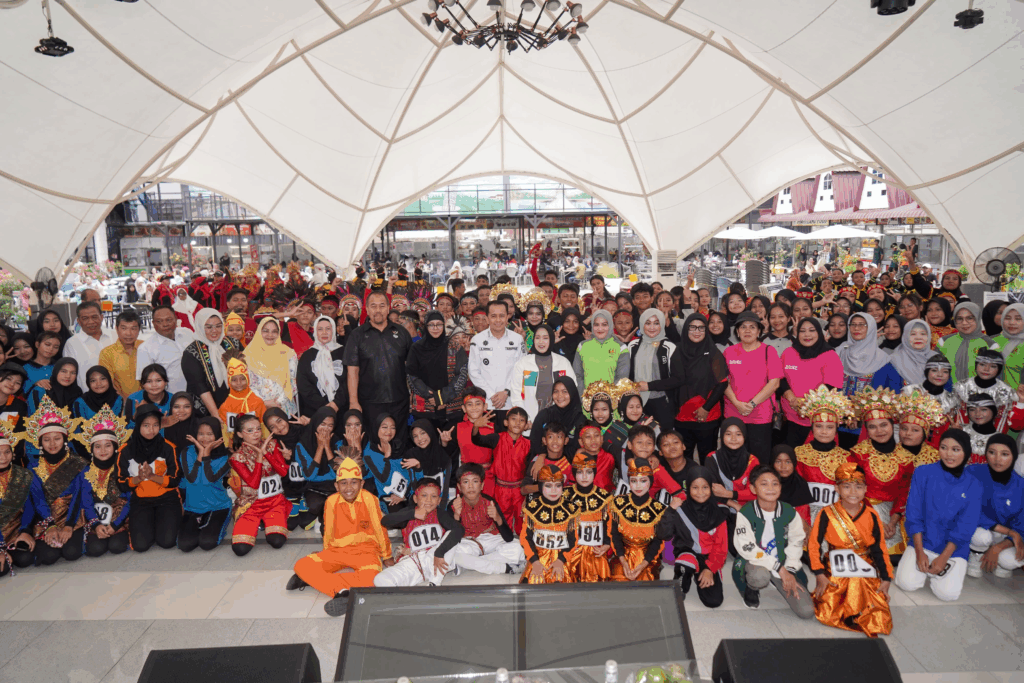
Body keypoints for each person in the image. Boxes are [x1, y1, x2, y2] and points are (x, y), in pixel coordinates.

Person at [287, 457, 394, 617]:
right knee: (302, 565)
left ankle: (317, 581)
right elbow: (328, 531)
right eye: (343, 483)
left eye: (354, 482)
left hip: (366, 551)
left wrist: (387, 555)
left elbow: (380, 529)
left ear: (362, 484)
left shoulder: (370, 499)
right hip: (337, 551)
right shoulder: (331, 501)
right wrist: (325, 554)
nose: (348, 488)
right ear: (336, 486)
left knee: (373, 579)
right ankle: (343, 591)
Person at [808, 462, 894, 637]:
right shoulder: (827, 513)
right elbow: (814, 544)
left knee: (880, 617)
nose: (853, 492)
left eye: (858, 487)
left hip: (864, 566)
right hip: (836, 566)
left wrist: (886, 578)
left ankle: (856, 612)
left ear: (865, 489)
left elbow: (879, 548)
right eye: (846, 487)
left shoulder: (871, 515)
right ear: (837, 489)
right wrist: (819, 574)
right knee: (828, 611)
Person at [895, 429, 982, 602]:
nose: (948, 454)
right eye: (944, 447)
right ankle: (923, 566)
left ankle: (939, 571)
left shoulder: (974, 484)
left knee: (947, 594)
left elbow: (966, 525)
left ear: (966, 452)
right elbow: (913, 513)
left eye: (955, 449)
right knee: (906, 584)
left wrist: (943, 558)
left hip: (953, 549)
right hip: (923, 542)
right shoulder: (923, 473)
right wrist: (919, 552)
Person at [732, 465, 815, 617]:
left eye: (775, 483)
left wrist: (789, 570)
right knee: (759, 577)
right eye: (764, 484)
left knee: (807, 611)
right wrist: (779, 569)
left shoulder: (789, 512)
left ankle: (778, 578)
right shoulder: (745, 513)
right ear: (753, 488)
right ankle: (752, 588)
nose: (770, 488)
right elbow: (747, 548)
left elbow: (796, 542)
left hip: (783, 561)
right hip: (755, 561)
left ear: (780, 487)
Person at [24, 396, 88, 566]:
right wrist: (50, 525)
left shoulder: (78, 463)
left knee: (71, 553)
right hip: (46, 517)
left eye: (57, 438)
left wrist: (69, 525)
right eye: (46, 439)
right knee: (48, 557)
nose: (52, 443)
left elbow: (79, 497)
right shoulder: (33, 467)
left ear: (65, 440)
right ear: (40, 442)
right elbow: (37, 499)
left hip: (72, 515)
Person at [345, 291, 413, 450]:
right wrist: (353, 401)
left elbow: (411, 368)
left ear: (388, 308)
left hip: (399, 401)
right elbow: (352, 371)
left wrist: (412, 395)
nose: (378, 310)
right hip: (369, 402)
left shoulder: (402, 333)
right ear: (367, 309)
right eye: (373, 306)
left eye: (382, 306)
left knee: (398, 444)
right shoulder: (357, 335)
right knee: (372, 445)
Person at [656, 466, 728, 607]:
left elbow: (721, 547)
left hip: (709, 557)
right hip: (687, 553)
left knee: (713, 601)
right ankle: (682, 581)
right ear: (688, 488)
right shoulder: (680, 509)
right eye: (695, 487)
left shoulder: (719, 512)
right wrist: (670, 510)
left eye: (705, 487)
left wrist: (710, 569)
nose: (700, 492)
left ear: (711, 488)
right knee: (685, 565)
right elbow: (663, 534)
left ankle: (700, 572)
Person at [374, 479, 464, 587]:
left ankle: (435, 582)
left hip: (434, 560)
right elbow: (385, 521)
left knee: (454, 537)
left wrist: (439, 552)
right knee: (380, 579)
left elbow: (458, 530)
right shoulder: (409, 512)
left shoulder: (440, 514)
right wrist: (412, 514)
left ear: (439, 500)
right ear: (415, 498)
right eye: (424, 495)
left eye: (434, 496)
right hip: (412, 561)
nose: (429, 500)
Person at [116, 404, 182, 552]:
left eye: (155, 425)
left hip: (167, 499)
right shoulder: (125, 451)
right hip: (141, 501)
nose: (151, 430)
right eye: (146, 425)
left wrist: (152, 476)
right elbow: (121, 483)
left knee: (167, 542)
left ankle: (163, 521)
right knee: (140, 546)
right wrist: (139, 478)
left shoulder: (168, 448)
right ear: (138, 425)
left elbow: (175, 479)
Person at [227, 413, 291, 555]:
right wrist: (260, 458)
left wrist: (266, 453)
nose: (256, 433)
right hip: (251, 503)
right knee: (240, 549)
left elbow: (283, 472)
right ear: (240, 434)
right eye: (250, 431)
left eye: (258, 429)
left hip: (275, 501)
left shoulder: (272, 444)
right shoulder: (237, 457)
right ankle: (258, 522)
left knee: (277, 541)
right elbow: (254, 484)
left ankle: (266, 521)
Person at [722, 312, 782, 462]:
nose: (747, 330)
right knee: (734, 458)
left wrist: (752, 404)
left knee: (759, 458)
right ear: (737, 331)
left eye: (752, 327)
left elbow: (774, 383)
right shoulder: (729, 352)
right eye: (743, 327)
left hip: (760, 415)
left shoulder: (769, 351)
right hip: (733, 412)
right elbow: (723, 382)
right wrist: (737, 403)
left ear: (759, 331)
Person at [74, 407, 132, 557]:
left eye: (108, 445)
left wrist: (115, 525)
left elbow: (131, 500)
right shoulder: (86, 473)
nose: (103, 450)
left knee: (116, 546)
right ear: (92, 449)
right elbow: (86, 503)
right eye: (98, 446)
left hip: (120, 519)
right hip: (97, 519)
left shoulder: (123, 469)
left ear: (115, 447)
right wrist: (96, 525)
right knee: (95, 549)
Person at [448, 463, 525, 576]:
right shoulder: (453, 505)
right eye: (466, 482)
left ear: (482, 485)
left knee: (518, 548)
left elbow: (508, 537)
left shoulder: (490, 502)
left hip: (490, 539)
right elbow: (452, 539)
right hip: (468, 542)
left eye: (475, 481)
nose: (470, 486)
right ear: (459, 487)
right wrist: (456, 515)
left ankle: (468, 564)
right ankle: (503, 568)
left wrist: (497, 518)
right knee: (452, 551)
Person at [966, 434, 1024, 579]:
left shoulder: (1021, 485)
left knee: (1010, 561)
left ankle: (999, 560)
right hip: (980, 529)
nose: (997, 459)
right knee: (981, 537)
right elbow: (968, 509)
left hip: (1005, 535)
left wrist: (1000, 546)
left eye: (1004, 454)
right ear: (986, 454)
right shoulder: (973, 472)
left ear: (1014, 456)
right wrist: (1010, 532)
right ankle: (976, 554)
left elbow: (1021, 524)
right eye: (992, 452)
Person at [780, 318, 844, 448]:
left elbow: (831, 386)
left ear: (819, 333)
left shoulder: (830, 355)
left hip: (818, 422)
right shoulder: (788, 352)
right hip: (789, 416)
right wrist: (791, 398)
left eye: (812, 330)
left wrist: (806, 402)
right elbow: (780, 378)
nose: (807, 335)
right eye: (802, 331)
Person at [472, 407, 532, 532]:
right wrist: (476, 426)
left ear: (526, 425)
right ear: (506, 422)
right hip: (501, 489)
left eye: (522, 420)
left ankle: (522, 542)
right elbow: (477, 440)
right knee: (502, 520)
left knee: (522, 520)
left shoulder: (529, 444)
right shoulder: (497, 438)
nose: (517, 423)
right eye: (513, 419)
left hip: (520, 490)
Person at [616, 309, 679, 430]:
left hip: (662, 403)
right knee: (638, 436)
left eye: (656, 323)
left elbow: (678, 378)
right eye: (648, 323)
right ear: (642, 324)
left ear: (662, 324)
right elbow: (627, 374)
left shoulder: (669, 347)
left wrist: (650, 386)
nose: (652, 327)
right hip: (636, 403)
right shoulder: (632, 346)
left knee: (662, 437)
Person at [177, 416, 232, 552]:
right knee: (185, 545)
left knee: (207, 543)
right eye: (201, 434)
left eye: (210, 434)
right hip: (192, 507)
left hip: (218, 506)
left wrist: (206, 454)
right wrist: (200, 454)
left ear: (217, 435)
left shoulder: (226, 456)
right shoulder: (186, 452)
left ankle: (216, 524)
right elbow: (192, 479)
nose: (205, 438)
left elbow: (209, 479)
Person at [608, 457, 667, 581]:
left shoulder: (659, 510)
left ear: (650, 481)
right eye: (633, 481)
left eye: (643, 480)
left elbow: (657, 543)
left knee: (646, 581)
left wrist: (642, 566)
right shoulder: (618, 503)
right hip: (622, 557)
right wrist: (624, 562)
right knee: (617, 579)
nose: (638, 485)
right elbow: (615, 535)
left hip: (647, 560)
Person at [837, 313, 891, 448]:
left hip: (869, 427)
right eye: (853, 324)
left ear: (871, 328)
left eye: (862, 325)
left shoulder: (882, 359)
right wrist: (846, 414)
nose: (857, 328)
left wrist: (859, 415)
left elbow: (888, 394)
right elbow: (832, 386)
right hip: (838, 422)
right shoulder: (840, 352)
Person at [406, 311, 468, 427]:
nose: (435, 328)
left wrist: (442, 397)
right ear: (426, 326)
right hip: (424, 407)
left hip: (451, 408)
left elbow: (462, 375)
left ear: (443, 326)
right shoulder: (416, 348)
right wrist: (430, 396)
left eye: (439, 324)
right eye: (431, 325)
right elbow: (411, 376)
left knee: (450, 437)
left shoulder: (455, 347)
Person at [519, 464, 579, 583]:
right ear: (541, 487)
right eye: (548, 486)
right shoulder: (532, 508)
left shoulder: (571, 509)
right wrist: (535, 561)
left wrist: (560, 560)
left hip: (561, 560)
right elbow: (525, 538)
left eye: (558, 485)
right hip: (538, 559)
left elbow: (573, 540)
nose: (553, 490)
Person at [468, 300, 525, 423]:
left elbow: (522, 370)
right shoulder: (477, 340)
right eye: (493, 316)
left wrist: (506, 392)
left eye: (502, 316)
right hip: (487, 404)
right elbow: (473, 372)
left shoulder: (517, 339)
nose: (498, 320)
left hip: (512, 402)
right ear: (487, 318)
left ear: (507, 317)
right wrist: (491, 394)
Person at [511, 324, 574, 427]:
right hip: (530, 422)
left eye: (545, 338)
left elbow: (572, 392)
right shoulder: (523, 363)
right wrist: (524, 418)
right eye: (537, 338)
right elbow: (516, 394)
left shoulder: (563, 363)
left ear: (551, 340)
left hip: (558, 422)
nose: (541, 342)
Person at [563, 452, 612, 582]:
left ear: (594, 473)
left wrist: (607, 545)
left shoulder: (604, 497)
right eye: (580, 472)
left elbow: (609, 525)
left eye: (589, 472)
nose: (584, 477)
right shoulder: (564, 495)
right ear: (574, 474)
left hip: (595, 551)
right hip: (570, 551)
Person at [182, 308, 240, 419]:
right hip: (207, 412)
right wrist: (217, 416)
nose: (214, 331)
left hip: (236, 406)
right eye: (208, 327)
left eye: (218, 326)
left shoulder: (233, 344)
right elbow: (200, 387)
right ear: (200, 327)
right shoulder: (191, 353)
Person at [0, 418, 35, 576]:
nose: (3, 457)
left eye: (7, 452)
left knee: (25, 558)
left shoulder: (22, 474)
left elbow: (29, 506)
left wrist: (25, 530)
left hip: (14, 530)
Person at [245, 318, 299, 416]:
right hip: (257, 408)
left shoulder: (289, 354)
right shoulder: (248, 354)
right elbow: (246, 383)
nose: (270, 335)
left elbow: (293, 381)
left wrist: (279, 402)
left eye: (274, 331)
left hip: (284, 408)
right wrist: (264, 402)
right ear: (259, 331)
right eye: (266, 331)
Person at [135, 305, 192, 395]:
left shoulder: (187, 334)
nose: (165, 324)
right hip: (171, 398)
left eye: (168, 320)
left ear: (176, 319)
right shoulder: (146, 349)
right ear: (153, 323)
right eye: (159, 321)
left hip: (198, 394)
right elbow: (145, 382)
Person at [62, 302, 115, 392]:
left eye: (94, 317)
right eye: (85, 318)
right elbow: (69, 374)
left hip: (118, 394)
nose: (91, 322)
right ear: (79, 321)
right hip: (88, 396)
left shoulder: (115, 335)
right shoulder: (72, 343)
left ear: (101, 317)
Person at [937, 302, 994, 384]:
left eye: (970, 318)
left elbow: (995, 374)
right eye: (959, 318)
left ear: (977, 318)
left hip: (980, 390)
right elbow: (935, 369)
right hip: (949, 390)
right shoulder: (944, 341)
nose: (964, 323)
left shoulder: (990, 344)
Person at [529, 377, 585, 456]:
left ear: (572, 393)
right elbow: (534, 442)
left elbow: (578, 447)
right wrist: (544, 455)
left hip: (570, 460)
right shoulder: (544, 415)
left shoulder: (580, 419)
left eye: (565, 391)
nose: (560, 396)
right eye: (556, 391)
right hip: (543, 459)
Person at [871, 319, 933, 391]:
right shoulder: (890, 361)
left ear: (929, 337)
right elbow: (875, 392)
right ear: (905, 336)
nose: (918, 337)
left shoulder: (936, 360)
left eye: (923, 334)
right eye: (913, 334)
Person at [572, 310, 623, 394]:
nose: (600, 329)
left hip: (611, 399)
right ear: (592, 325)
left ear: (611, 325)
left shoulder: (621, 347)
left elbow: (621, 378)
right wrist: (585, 396)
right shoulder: (582, 346)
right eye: (596, 324)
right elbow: (577, 375)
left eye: (604, 324)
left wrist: (607, 398)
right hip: (586, 399)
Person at [98, 310, 143, 399]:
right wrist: (125, 402)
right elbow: (108, 383)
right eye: (124, 328)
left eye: (133, 328)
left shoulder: (145, 348)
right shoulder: (107, 353)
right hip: (121, 403)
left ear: (139, 330)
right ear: (117, 329)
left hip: (147, 402)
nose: (128, 333)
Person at [767, 445, 814, 530]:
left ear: (794, 463)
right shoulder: (766, 485)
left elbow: (805, 520)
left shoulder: (801, 485)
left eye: (788, 462)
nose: (783, 466)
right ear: (772, 463)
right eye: (778, 462)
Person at [993, 303, 1024, 389]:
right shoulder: (992, 341)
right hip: (993, 394)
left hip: (1018, 395)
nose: (1012, 323)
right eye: (1007, 318)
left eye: (1018, 319)